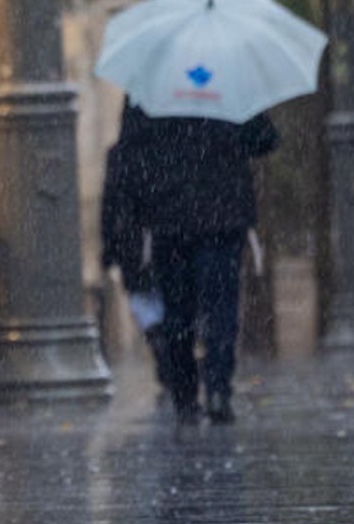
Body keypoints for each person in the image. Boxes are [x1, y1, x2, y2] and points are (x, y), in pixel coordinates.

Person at [116, 102, 278, 424]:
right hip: (222, 215)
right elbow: (265, 138)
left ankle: (185, 395)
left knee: (177, 313)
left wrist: (147, 200)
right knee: (221, 309)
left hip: (170, 219)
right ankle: (218, 388)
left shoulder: (149, 86)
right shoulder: (226, 78)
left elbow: (129, 152)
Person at [100, 109, 168, 392]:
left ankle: (160, 342)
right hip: (163, 237)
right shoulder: (164, 147)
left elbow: (109, 205)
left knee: (144, 301)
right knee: (166, 299)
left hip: (131, 242)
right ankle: (168, 346)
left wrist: (109, 247)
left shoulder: (120, 153)